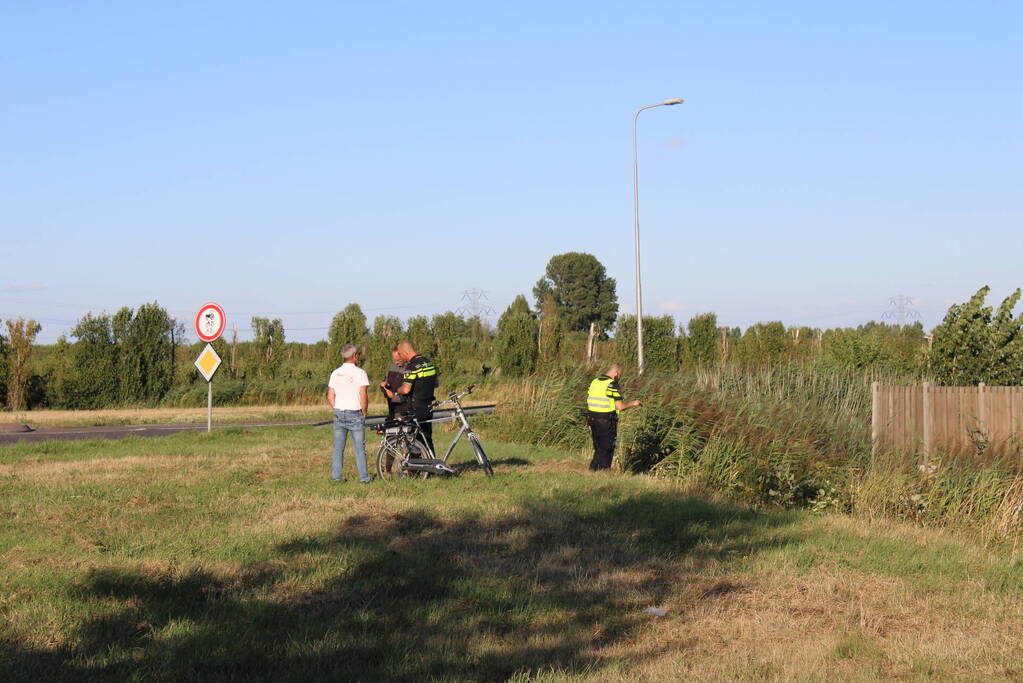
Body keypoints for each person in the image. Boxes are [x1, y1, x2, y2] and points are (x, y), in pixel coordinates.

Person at [326, 343, 372, 483]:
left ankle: (336, 477)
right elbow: (363, 395)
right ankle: (364, 478)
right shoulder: (360, 373)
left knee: (338, 448)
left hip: (339, 413)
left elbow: (330, 396)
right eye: (358, 355)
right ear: (354, 356)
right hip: (355, 413)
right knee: (359, 448)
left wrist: (337, 408)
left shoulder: (336, 373)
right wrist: (364, 412)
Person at [585, 364, 642, 471]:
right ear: (616, 373)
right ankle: (601, 470)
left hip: (592, 419)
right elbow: (620, 407)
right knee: (607, 448)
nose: (619, 378)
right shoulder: (612, 385)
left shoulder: (595, 381)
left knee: (598, 447)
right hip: (606, 421)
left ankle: (593, 470)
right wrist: (633, 404)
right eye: (620, 375)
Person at [395, 340, 439, 455]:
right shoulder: (428, 362)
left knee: (412, 439)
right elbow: (436, 384)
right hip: (428, 405)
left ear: (405, 351)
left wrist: (396, 390)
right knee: (427, 437)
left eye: (400, 353)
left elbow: (406, 389)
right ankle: (432, 466)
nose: (399, 356)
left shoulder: (412, 366)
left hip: (415, 406)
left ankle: (415, 468)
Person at [379, 347, 408, 421]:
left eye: (398, 360)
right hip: (392, 410)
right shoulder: (392, 366)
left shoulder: (410, 368)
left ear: (404, 355)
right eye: (394, 360)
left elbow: (409, 392)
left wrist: (394, 396)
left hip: (404, 412)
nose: (396, 362)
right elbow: (386, 382)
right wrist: (384, 385)